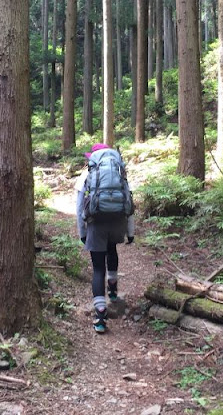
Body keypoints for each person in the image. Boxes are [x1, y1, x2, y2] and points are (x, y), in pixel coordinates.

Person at [75, 143, 135, 333]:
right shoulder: (120, 173)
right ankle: (113, 288)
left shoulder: (88, 174)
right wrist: (130, 232)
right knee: (112, 249)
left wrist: (82, 232)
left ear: (93, 158)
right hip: (117, 222)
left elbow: (78, 208)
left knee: (98, 267)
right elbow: (129, 201)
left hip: (96, 223)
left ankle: (100, 315)